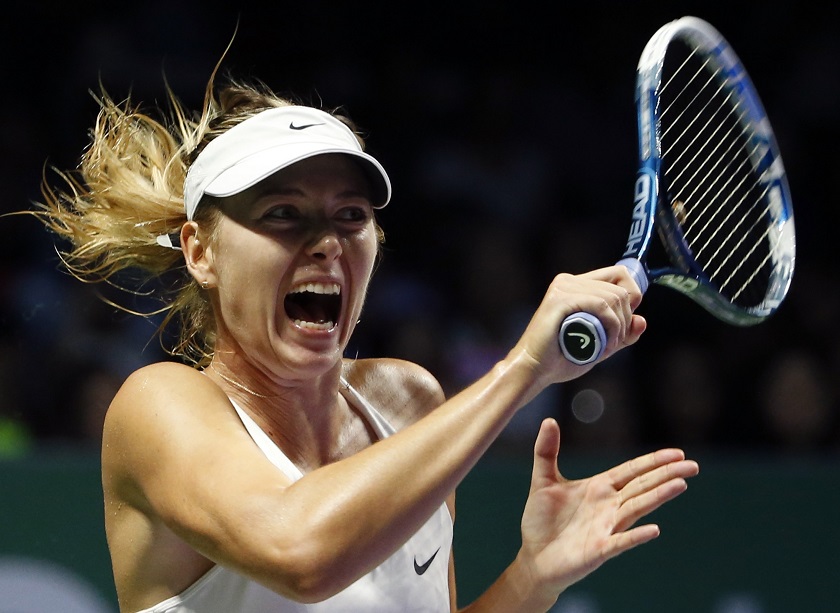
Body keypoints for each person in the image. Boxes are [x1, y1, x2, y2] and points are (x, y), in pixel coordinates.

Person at [30, 71, 699, 613]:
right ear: (201, 252)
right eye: (283, 214)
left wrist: (532, 579)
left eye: (351, 216)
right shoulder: (159, 406)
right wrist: (523, 368)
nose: (326, 242)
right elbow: (301, 553)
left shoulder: (408, 401)